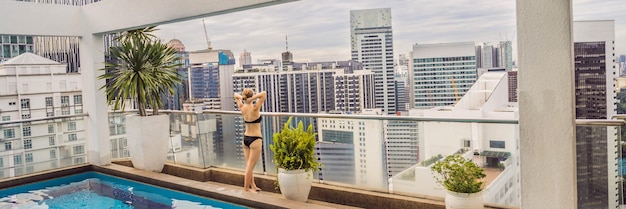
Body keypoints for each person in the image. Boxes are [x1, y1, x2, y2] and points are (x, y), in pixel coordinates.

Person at [234, 88, 266, 193]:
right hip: (255, 139)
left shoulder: (242, 107)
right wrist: (253, 98)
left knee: (248, 164)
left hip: (246, 139)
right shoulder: (255, 108)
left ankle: (253, 185)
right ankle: (246, 188)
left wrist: (244, 99)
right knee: (250, 166)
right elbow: (263, 94)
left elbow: (235, 95)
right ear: (251, 97)